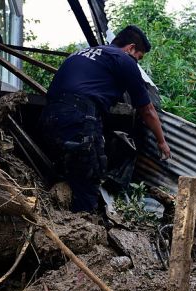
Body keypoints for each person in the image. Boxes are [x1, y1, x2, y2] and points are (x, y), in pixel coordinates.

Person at [39, 25, 171, 212]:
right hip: (80, 118)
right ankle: (82, 233)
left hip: (48, 117)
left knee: (63, 172)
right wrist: (161, 141)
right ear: (131, 48)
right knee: (88, 180)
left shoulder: (81, 53)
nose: (137, 63)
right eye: (139, 57)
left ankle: (54, 218)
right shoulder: (123, 59)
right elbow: (147, 110)